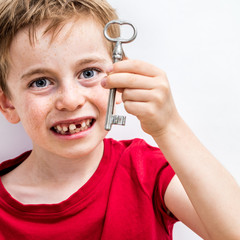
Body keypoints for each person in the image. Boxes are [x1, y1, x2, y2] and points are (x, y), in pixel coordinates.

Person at [0, 0, 239, 239]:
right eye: (40, 82)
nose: (71, 101)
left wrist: (169, 126)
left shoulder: (146, 170)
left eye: (88, 73)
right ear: (8, 103)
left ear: (121, 80)